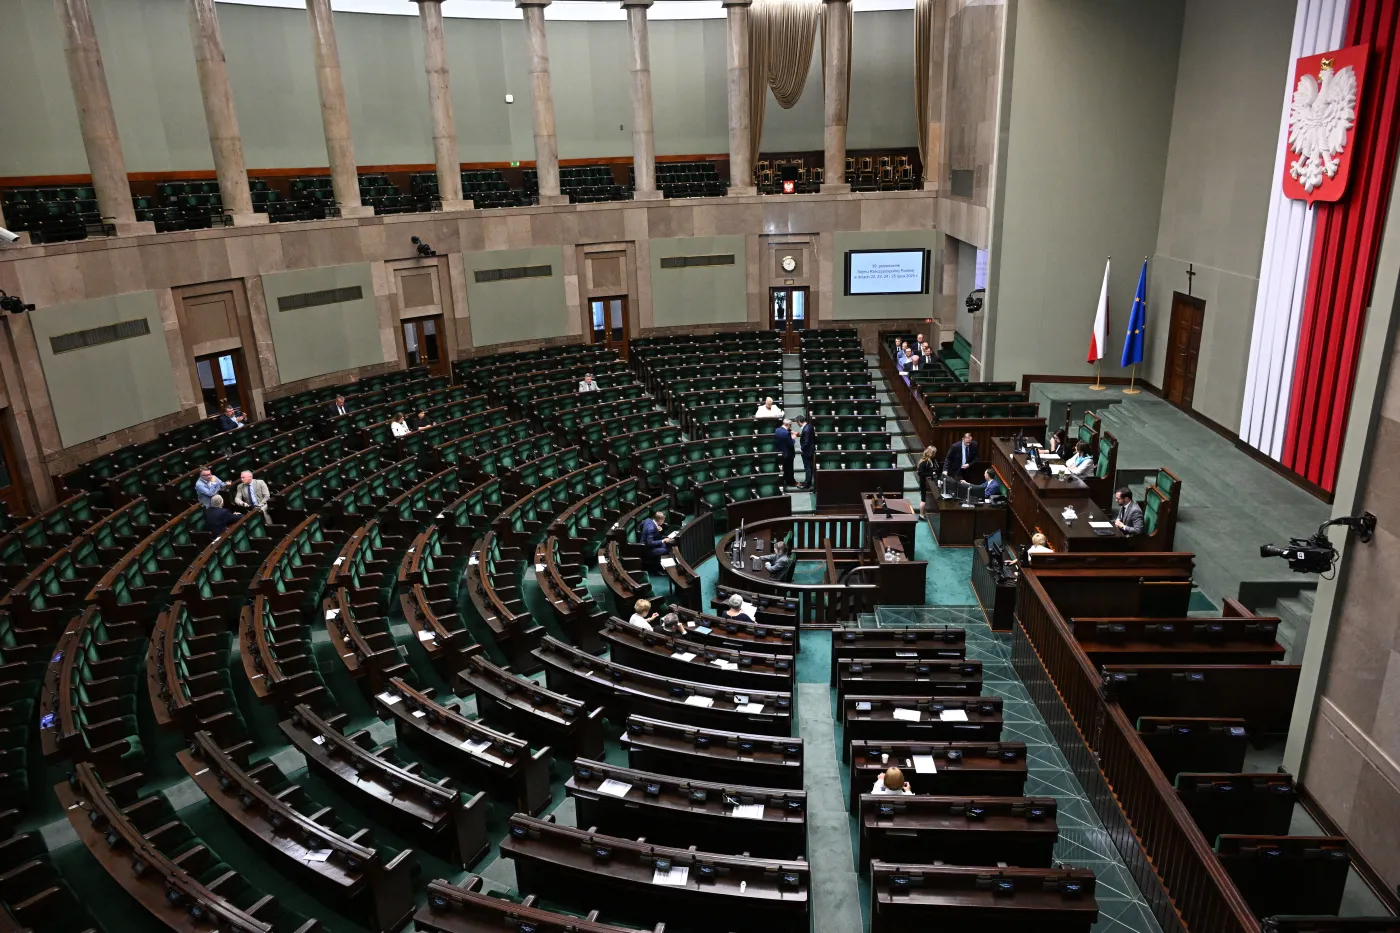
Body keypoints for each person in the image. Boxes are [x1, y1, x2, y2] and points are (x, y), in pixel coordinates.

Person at [797, 415, 816, 489]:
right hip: (811, 450)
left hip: (807, 452)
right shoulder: (809, 426)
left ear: (799, 422)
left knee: (807, 468)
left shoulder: (806, 430)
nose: (797, 424)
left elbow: (806, 442)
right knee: (809, 467)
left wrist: (801, 449)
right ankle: (808, 481)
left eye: (797, 423)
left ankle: (807, 485)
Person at [775, 420, 796, 486]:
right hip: (788, 453)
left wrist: (790, 431)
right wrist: (793, 438)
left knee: (783, 468)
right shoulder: (786, 433)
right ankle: (791, 482)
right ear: (788, 425)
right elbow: (791, 443)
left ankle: (784, 481)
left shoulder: (777, 430)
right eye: (790, 426)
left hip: (779, 452)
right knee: (789, 469)